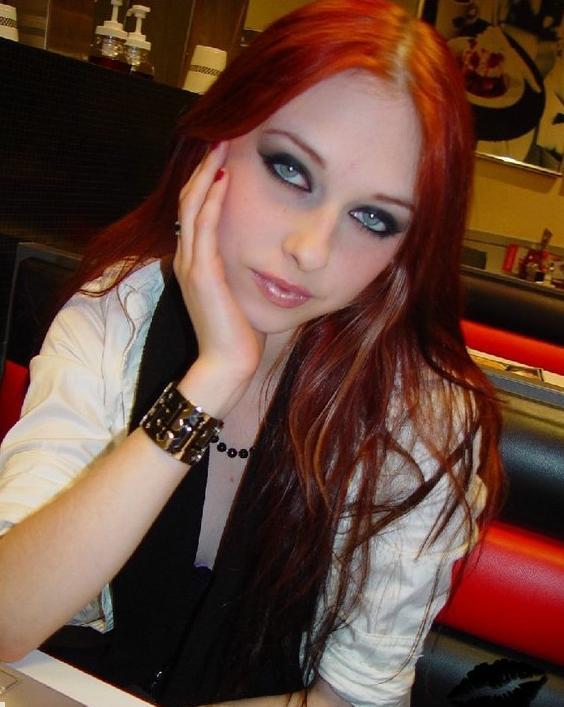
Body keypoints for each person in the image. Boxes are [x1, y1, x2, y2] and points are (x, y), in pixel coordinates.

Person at [0, 1, 503, 705]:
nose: (311, 249)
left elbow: (350, 698)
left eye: (373, 217)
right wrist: (214, 378)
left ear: (406, 252)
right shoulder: (122, 310)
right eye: (290, 170)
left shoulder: (419, 420)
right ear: (216, 148)